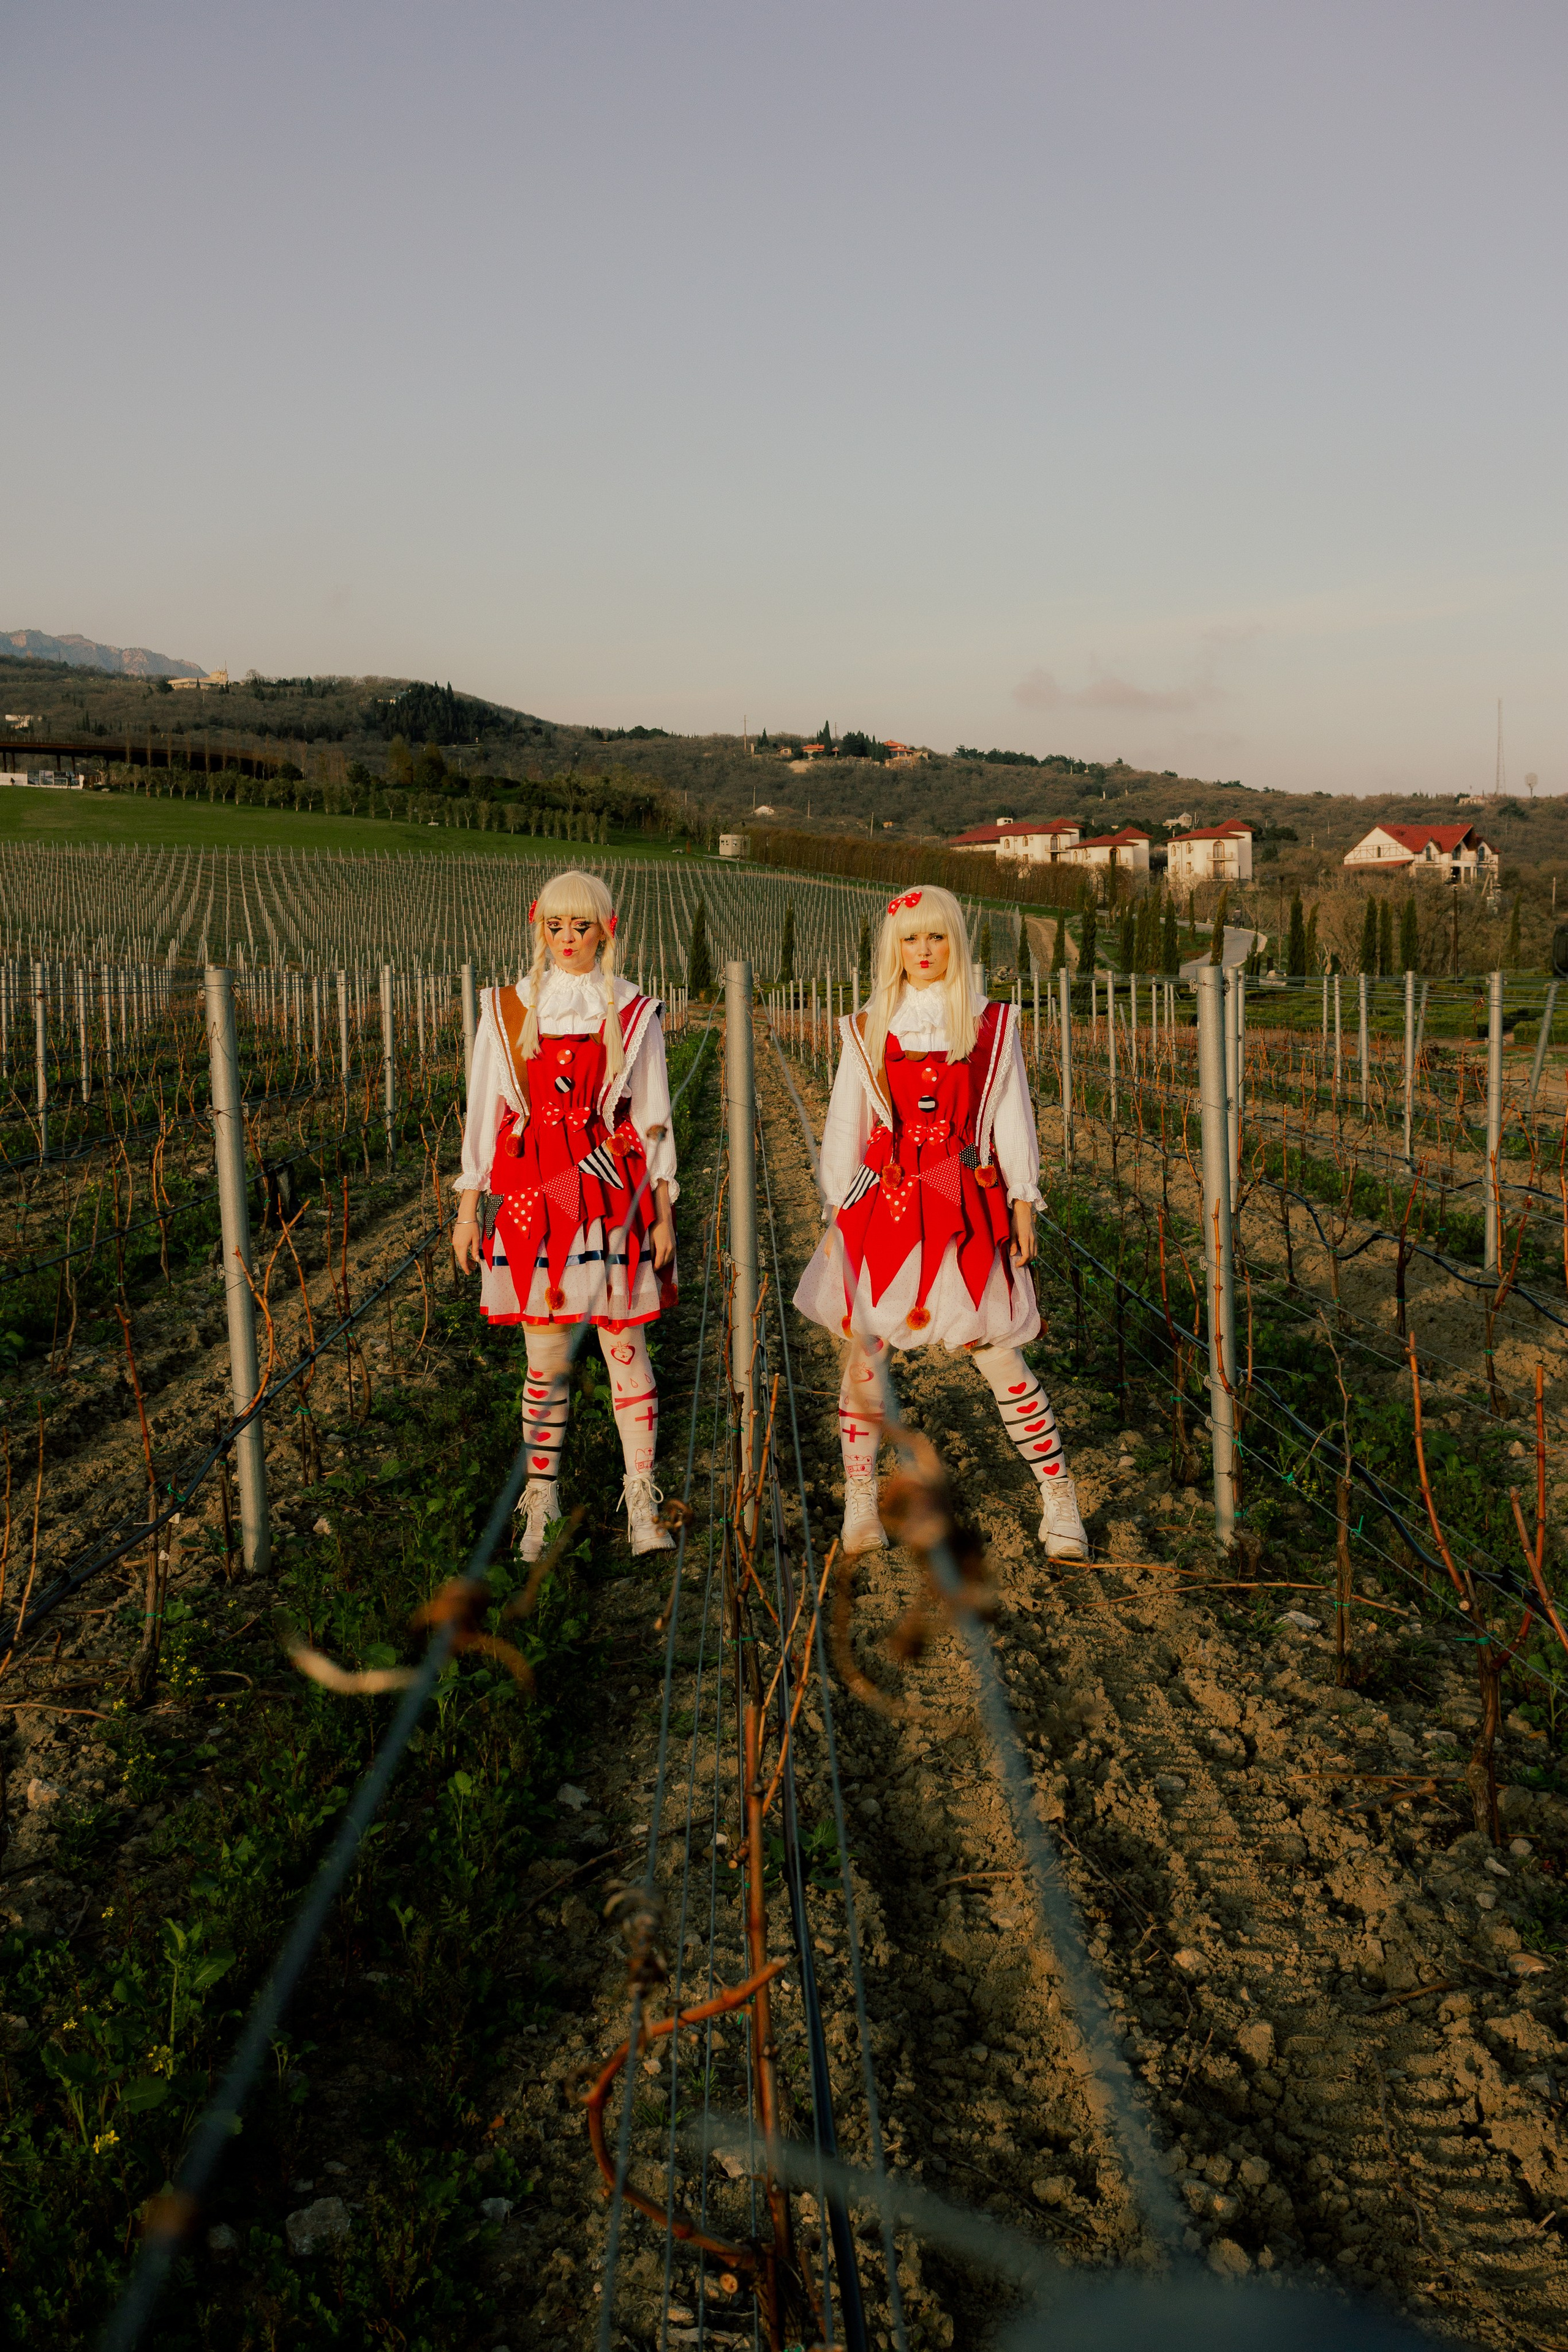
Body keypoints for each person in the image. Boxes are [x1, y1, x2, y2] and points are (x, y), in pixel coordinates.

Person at [793, 884, 1088, 1561]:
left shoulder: (988, 1025)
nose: (923, 951)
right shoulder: (867, 1025)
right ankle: (861, 1498)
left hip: (964, 1200)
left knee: (997, 1355)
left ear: (955, 941)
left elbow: (1011, 1114)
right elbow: (846, 1123)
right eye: (910, 939)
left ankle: (1057, 1494)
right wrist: (837, 1209)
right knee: (864, 1357)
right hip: (885, 1202)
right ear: (892, 948)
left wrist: (1022, 1199)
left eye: (935, 937)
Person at [451, 868, 679, 1561]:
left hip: (610, 1193)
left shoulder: (634, 1010)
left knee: (622, 1347)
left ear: (607, 929)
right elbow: (485, 1112)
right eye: (556, 926)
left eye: (582, 926)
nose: (568, 939)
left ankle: (640, 1497)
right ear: (539, 927)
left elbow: (654, 1118)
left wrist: (664, 1210)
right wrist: (469, 1206)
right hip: (531, 1193)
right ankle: (540, 1503)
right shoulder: (507, 1009)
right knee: (545, 1357)